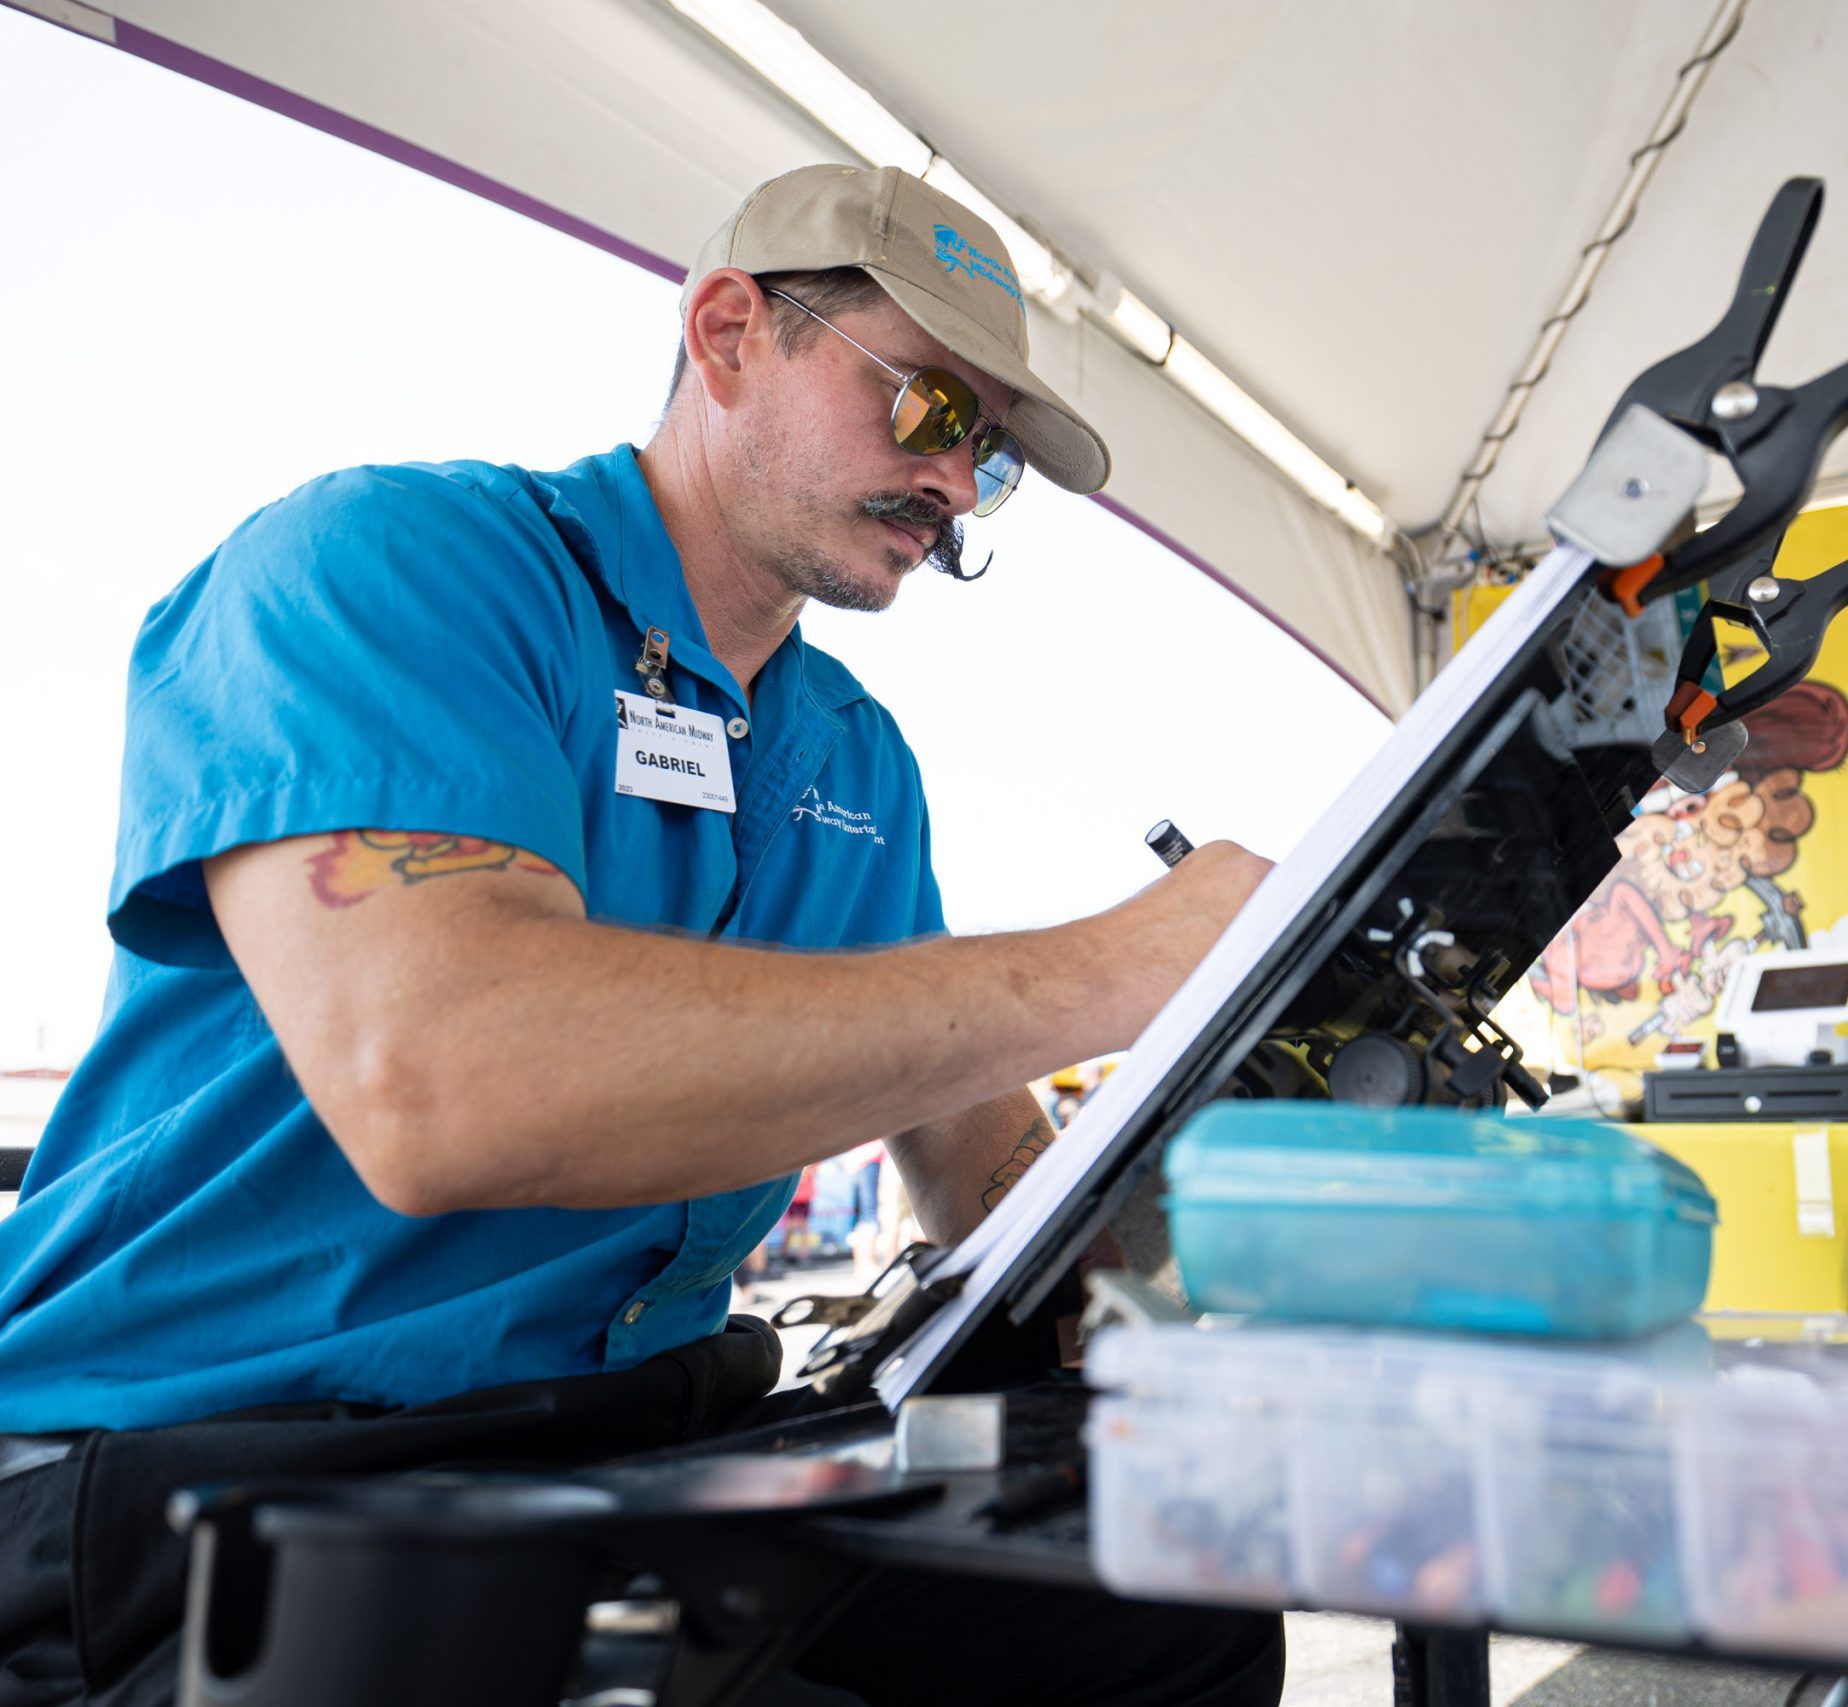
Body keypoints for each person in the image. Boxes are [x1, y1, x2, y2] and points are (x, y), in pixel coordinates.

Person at [0, 164, 1281, 1707]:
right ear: (731, 331)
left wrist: (1153, 1270)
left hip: (634, 1446)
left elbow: (967, 1143)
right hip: (218, 1470)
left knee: (1171, 1615)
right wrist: (1128, 961)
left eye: (990, 456)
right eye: (934, 409)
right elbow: (451, 1083)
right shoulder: (390, 569)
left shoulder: (853, 760)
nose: (955, 485)